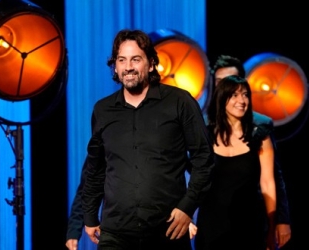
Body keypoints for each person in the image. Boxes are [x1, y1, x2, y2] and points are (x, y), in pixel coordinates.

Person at [80, 29, 215, 250]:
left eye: (136, 59)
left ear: (151, 63)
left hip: (168, 229)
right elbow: (96, 168)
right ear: (115, 66)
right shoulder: (103, 109)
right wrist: (89, 215)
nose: (128, 67)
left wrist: (187, 207)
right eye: (121, 60)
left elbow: (204, 158)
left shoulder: (179, 102)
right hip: (115, 232)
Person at [210, 55, 292, 248]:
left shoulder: (261, 127)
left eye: (241, 91)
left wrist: (280, 220)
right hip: (213, 220)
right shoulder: (204, 125)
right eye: (221, 83)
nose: (228, 88)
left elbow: (272, 178)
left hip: (251, 218)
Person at [194, 75, 277, 249]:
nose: (242, 100)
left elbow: (268, 183)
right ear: (222, 98)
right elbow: (195, 180)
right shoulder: (206, 136)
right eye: (235, 95)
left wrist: (272, 226)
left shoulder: (260, 138)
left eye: (245, 95)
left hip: (249, 225)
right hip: (212, 225)